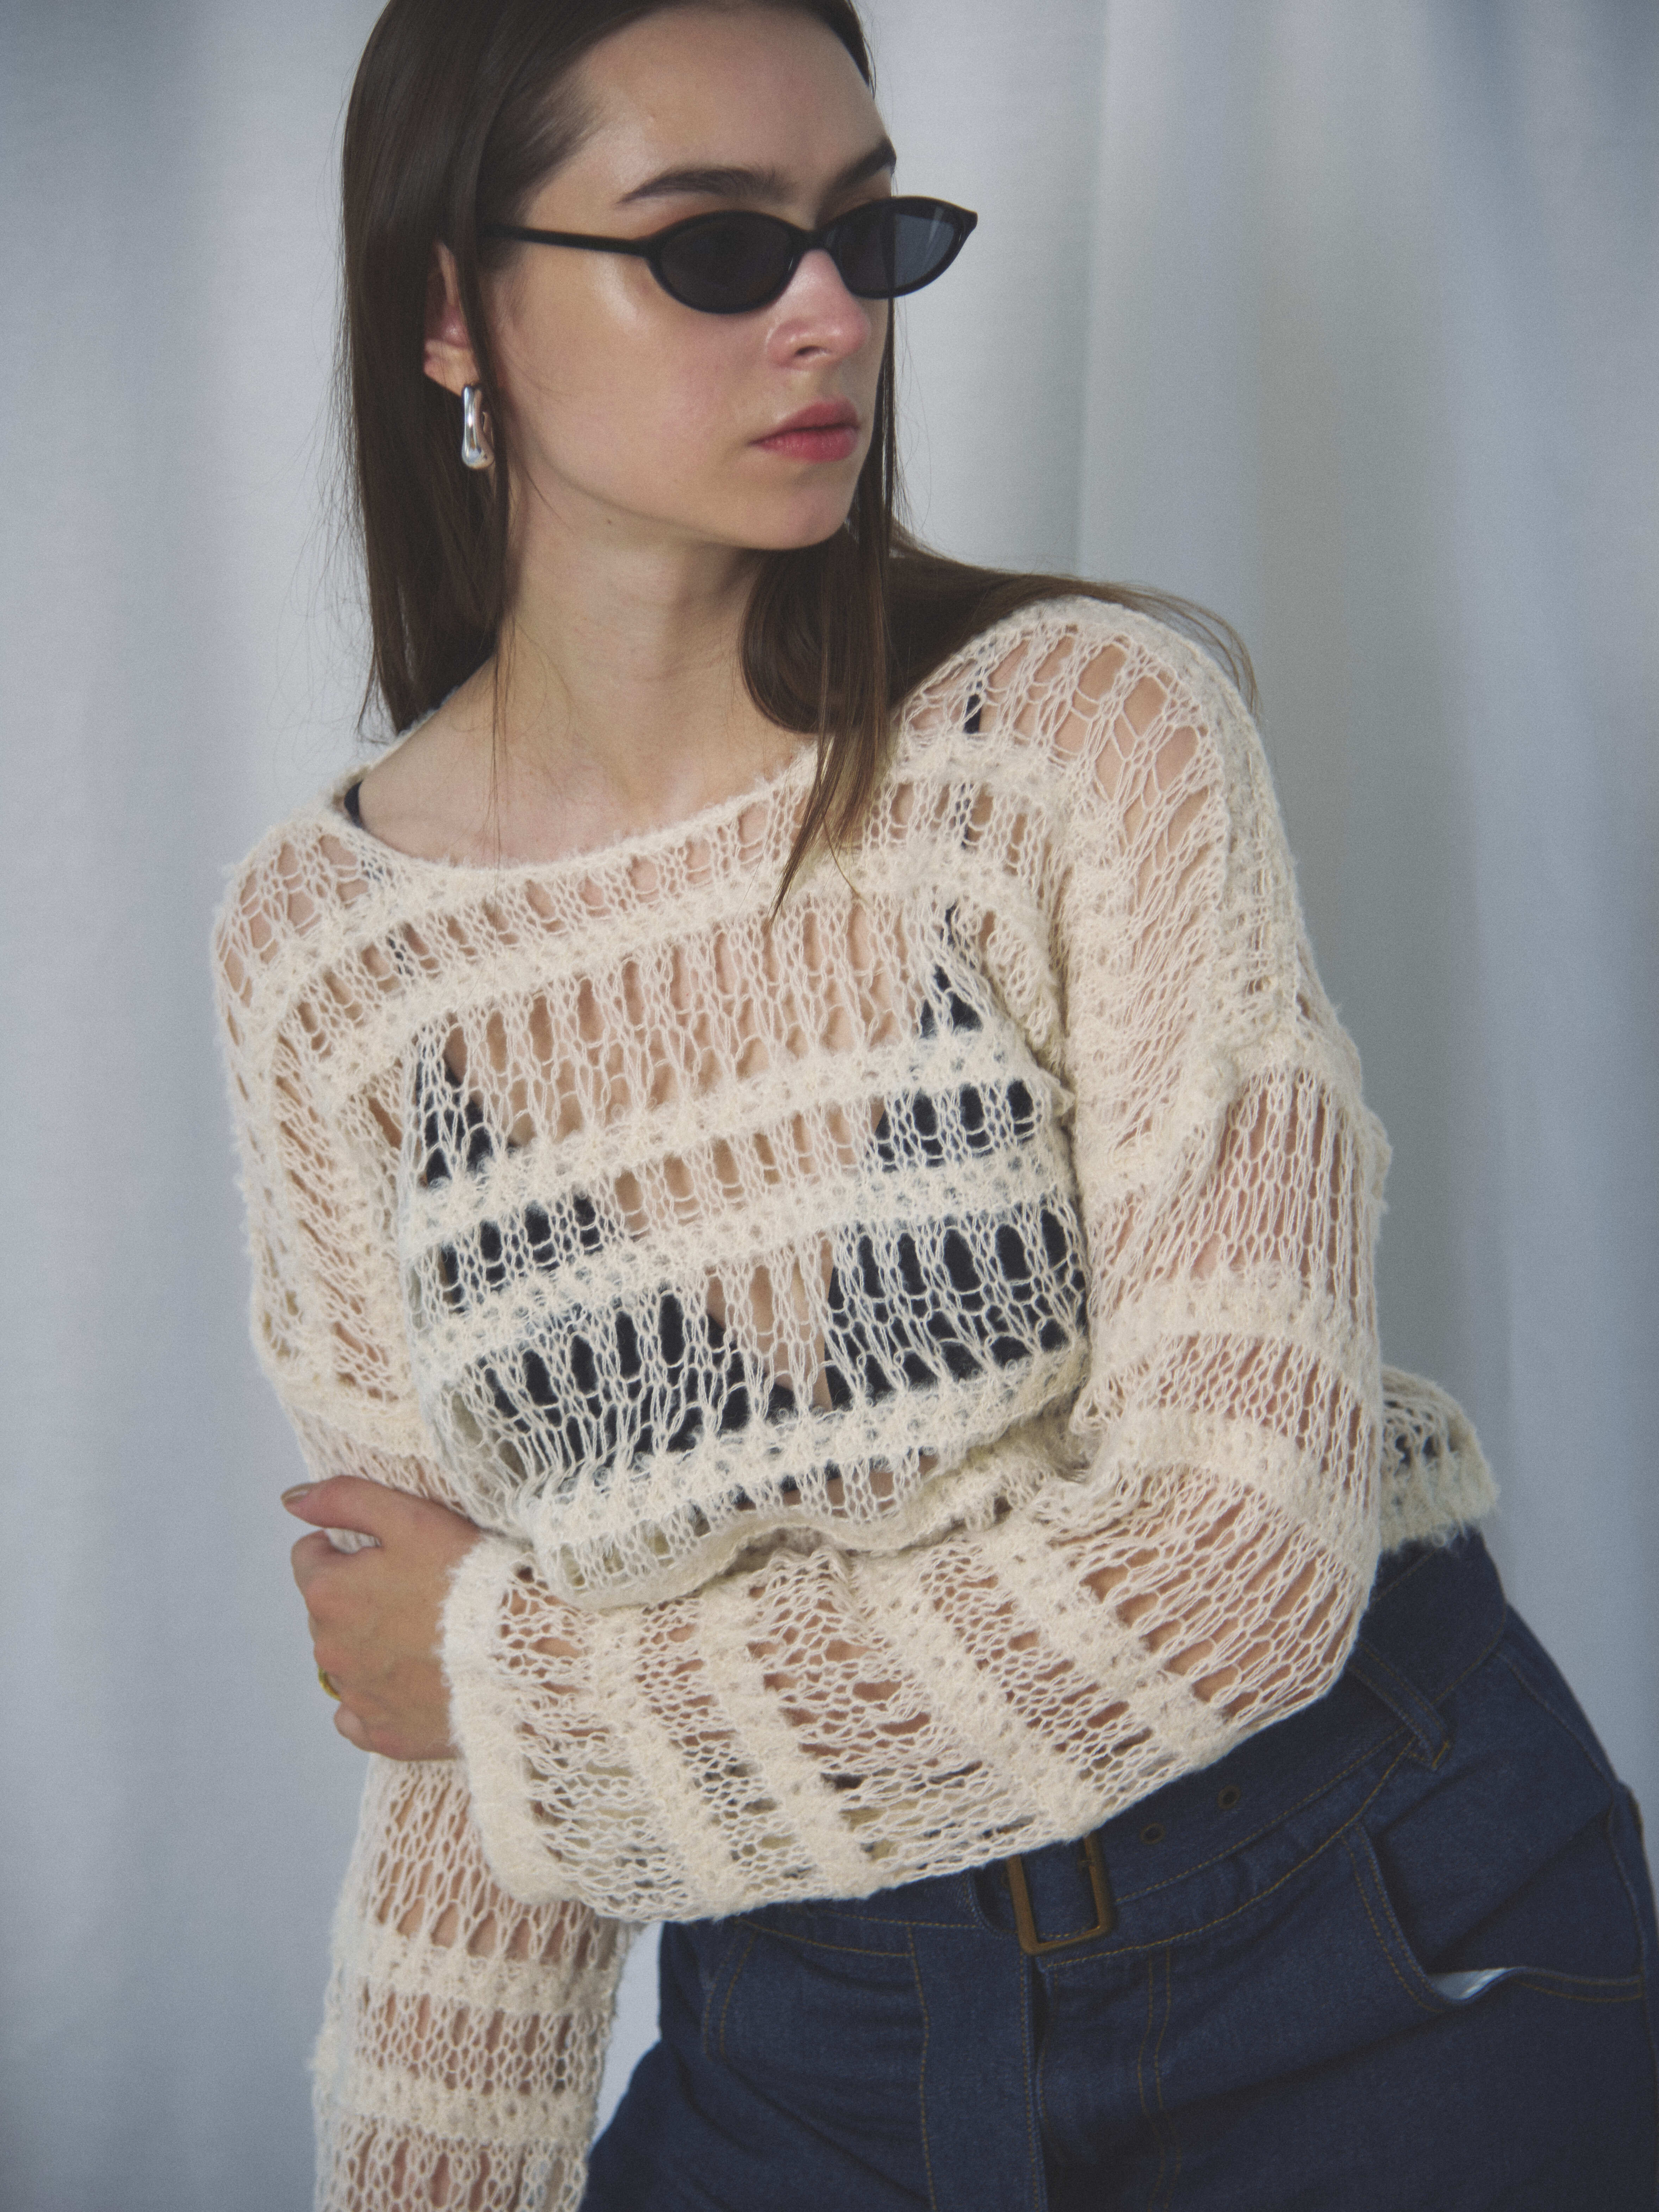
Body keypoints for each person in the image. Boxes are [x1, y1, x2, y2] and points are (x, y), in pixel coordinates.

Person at [213, 2, 1659, 2206]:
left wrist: (530, 1688)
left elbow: (1237, 1568)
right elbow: (449, 1768)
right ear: (447, 309)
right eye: (715, 249)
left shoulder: (1084, 733)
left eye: (866, 235)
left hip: (1351, 1929)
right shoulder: (327, 949)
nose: (828, 316)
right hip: (805, 2028)